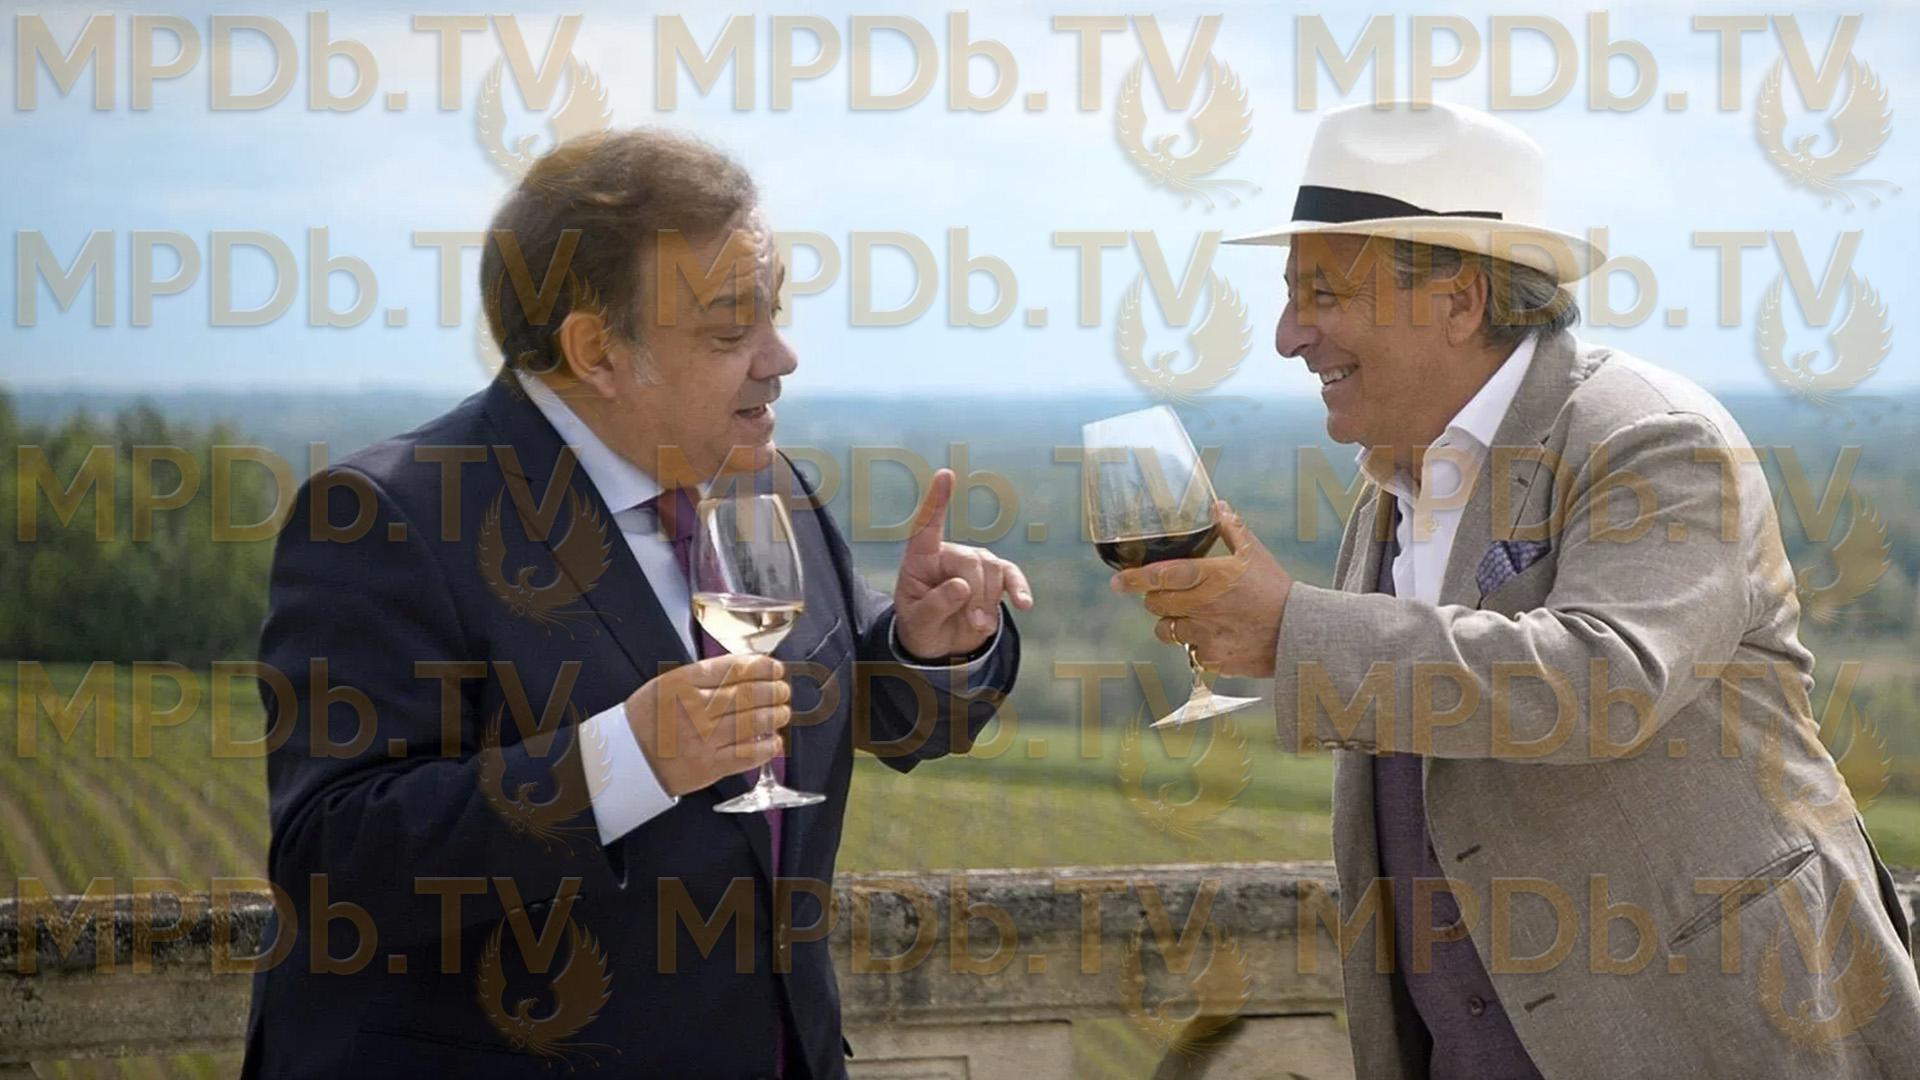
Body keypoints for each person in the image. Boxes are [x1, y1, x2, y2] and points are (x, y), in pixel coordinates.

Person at [1116, 101, 1919, 1078]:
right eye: (1290, 298)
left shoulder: (1652, 437)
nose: (1288, 336)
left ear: (1459, 301)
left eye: (1321, 294)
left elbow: (1602, 682)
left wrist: (1292, 631)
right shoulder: (1387, 493)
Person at [243, 129, 1030, 1079]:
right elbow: (336, 866)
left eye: (775, 312)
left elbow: (845, 709)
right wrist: (625, 760)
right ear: (597, 351)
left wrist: (925, 647)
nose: (781, 356)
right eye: (731, 331)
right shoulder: (388, 516)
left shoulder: (767, 485)